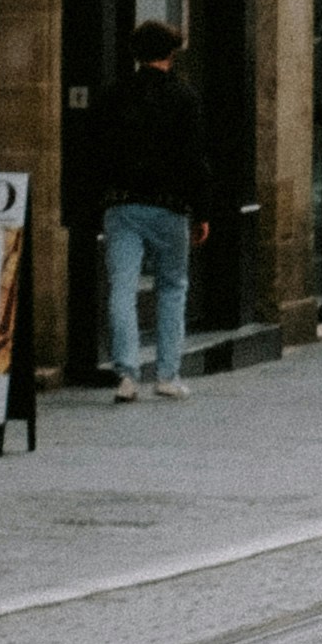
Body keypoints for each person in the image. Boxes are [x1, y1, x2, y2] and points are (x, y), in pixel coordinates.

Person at [82, 22, 221, 399]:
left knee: (122, 288)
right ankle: (167, 374)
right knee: (172, 287)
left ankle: (127, 374)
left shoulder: (114, 94)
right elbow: (195, 158)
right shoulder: (184, 97)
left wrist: (98, 198)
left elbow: (96, 150)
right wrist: (202, 210)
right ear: (171, 53)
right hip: (169, 206)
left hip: (122, 204)